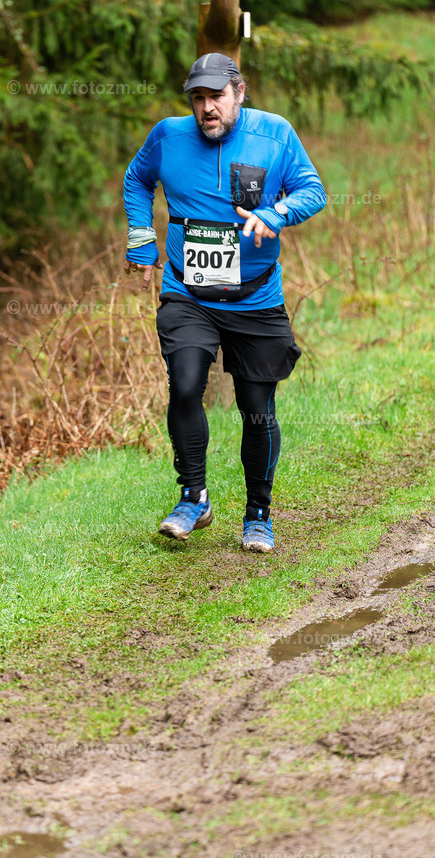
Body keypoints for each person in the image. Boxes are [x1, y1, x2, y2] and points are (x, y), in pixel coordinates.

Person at [123, 52, 326, 552]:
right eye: (198, 98)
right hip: (187, 293)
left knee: (257, 408)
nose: (207, 108)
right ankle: (194, 496)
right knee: (186, 384)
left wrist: (277, 213)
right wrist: (142, 236)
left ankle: (258, 513)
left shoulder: (274, 134)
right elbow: (137, 179)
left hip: (255, 298)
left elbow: (312, 190)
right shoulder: (168, 136)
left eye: (216, 96)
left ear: (239, 92)